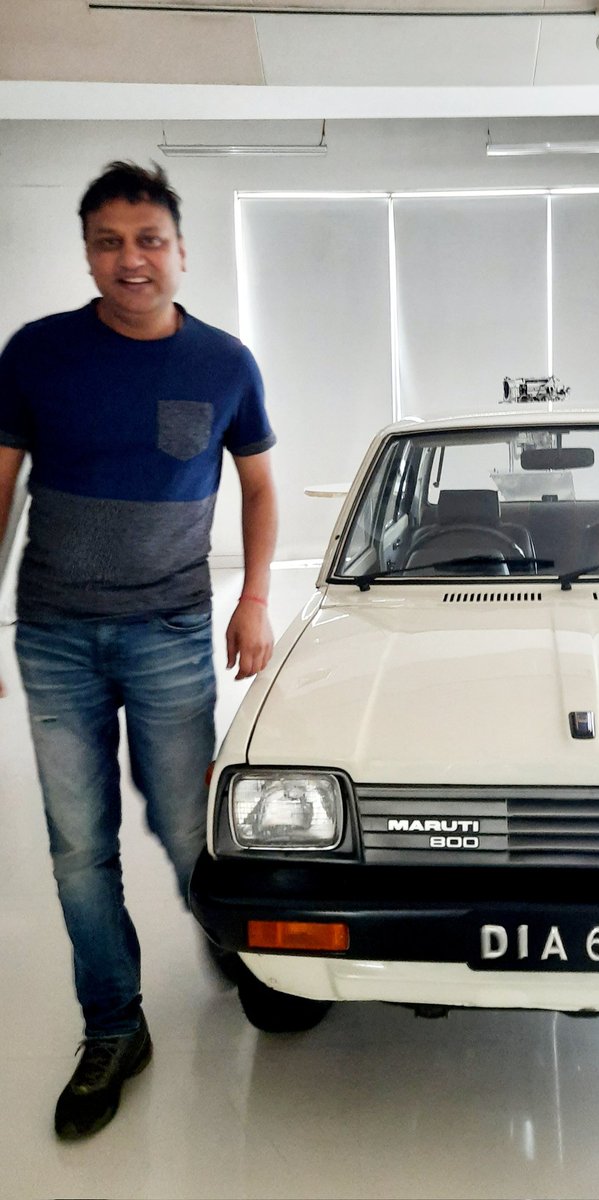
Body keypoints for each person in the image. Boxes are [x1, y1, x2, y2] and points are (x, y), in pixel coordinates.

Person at [0, 161, 277, 1140]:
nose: (130, 259)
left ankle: (241, 950)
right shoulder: (36, 355)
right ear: (87, 252)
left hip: (168, 632)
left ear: (179, 250)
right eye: (110, 241)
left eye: (147, 239)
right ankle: (114, 1028)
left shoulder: (222, 363)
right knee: (81, 849)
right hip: (55, 637)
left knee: (190, 825)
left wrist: (252, 599)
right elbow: (0, 486)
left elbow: (255, 486)